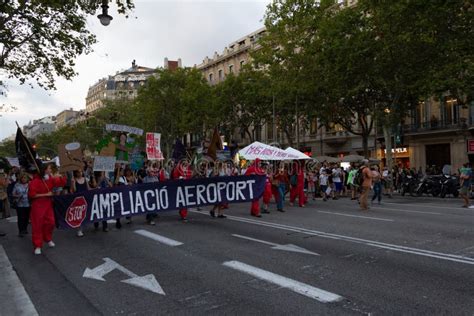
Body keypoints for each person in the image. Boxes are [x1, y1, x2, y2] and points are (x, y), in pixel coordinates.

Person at [28, 162, 66, 255]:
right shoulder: (35, 181)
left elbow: (60, 183)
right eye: (49, 169)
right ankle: (37, 245)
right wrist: (46, 194)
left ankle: (47, 238)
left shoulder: (50, 178)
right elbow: (32, 195)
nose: (51, 170)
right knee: (37, 225)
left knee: (51, 222)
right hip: (38, 205)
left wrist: (62, 175)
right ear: (44, 169)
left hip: (48, 204)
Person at [71, 169, 90, 237]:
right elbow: (74, 190)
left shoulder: (85, 179)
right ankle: (79, 230)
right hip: (78, 199)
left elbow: (88, 188)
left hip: (85, 198)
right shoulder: (74, 180)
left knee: (85, 213)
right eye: (78, 172)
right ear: (76, 173)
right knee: (79, 214)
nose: (80, 173)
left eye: (81, 171)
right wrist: (73, 183)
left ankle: (82, 226)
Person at [12, 173, 30, 237]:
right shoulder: (17, 185)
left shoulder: (29, 185)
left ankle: (25, 229)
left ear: (27, 178)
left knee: (26, 217)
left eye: (25, 178)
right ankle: (20, 231)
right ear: (20, 178)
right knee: (20, 218)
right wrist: (18, 196)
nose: (24, 179)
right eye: (22, 178)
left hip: (28, 204)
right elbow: (13, 194)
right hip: (20, 204)